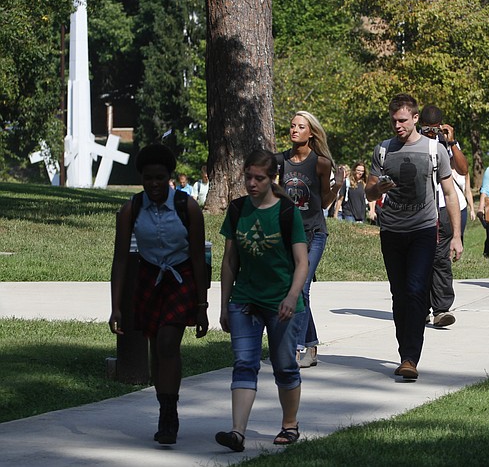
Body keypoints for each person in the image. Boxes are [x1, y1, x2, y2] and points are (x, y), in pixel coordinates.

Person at [109, 144, 208, 445]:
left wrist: (202, 304)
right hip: (150, 278)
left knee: (167, 343)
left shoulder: (186, 206)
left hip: (181, 278)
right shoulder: (132, 209)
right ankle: (163, 405)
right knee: (155, 346)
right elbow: (121, 259)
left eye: (160, 178)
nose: (154, 184)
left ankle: (170, 413)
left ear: (170, 178)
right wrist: (115, 307)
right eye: (148, 178)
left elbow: (198, 257)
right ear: (141, 177)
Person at [215, 150, 309, 451]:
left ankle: (290, 425)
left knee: (284, 366)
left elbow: (302, 262)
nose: (252, 183)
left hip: (282, 302)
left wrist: (292, 297)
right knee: (244, 363)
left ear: (272, 179)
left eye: (259, 178)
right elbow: (229, 261)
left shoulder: (286, 211)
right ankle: (237, 432)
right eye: (248, 177)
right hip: (244, 300)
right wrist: (224, 305)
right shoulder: (237, 209)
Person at [365, 93, 463, 379]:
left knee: (416, 291)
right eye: (394, 120)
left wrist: (456, 235)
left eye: (403, 120)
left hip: (423, 230)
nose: (398, 126)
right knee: (399, 295)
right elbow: (368, 191)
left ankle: (410, 358)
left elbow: (449, 194)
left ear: (416, 118)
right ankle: (403, 351)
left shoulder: (435, 150)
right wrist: (377, 191)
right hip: (391, 231)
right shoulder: (383, 150)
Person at [277, 111, 345, 368]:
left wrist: (337, 186)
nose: (294, 130)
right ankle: (312, 345)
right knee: (295, 290)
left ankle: (294, 348)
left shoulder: (320, 163)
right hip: (290, 235)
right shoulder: (281, 160)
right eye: (292, 125)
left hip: (314, 233)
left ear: (311, 133)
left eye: (300, 127)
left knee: (301, 288)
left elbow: (324, 202)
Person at [418, 104, 467, 327]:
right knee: (419, 260)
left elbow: (464, 169)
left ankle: (441, 309)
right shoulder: (412, 141)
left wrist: (451, 142)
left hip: (443, 208)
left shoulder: (446, 144)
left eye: (434, 129)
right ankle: (421, 307)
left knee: (440, 259)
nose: (430, 133)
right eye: (426, 129)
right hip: (419, 208)